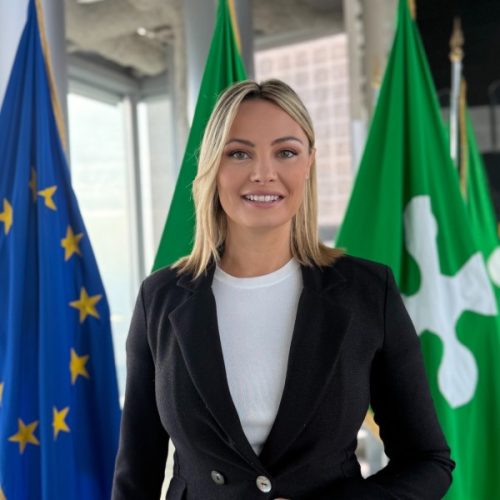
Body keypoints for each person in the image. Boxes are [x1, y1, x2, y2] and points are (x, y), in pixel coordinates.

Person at [111, 79, 455, 500]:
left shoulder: (368, 292)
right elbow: (136, 477)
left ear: (309, 162)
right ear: (213, 165)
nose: (263, 173)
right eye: (239, 153)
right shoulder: (159, 298)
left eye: (286, 152)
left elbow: (427, 460)